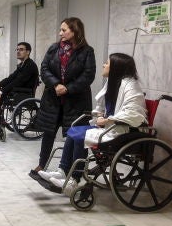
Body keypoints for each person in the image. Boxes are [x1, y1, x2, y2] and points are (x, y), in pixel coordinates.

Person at [38, 53, 147, 195]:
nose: (104, 65)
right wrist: (99, 115)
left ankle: (74, 180)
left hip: (123, 131)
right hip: (110, 127)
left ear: (116, 68)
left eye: (107, 63)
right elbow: (102, 107)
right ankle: (63, 171)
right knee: (74, 131)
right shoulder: (113, 82)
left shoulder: (131, 86)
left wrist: (108, 120)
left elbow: (134, 113)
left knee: (81, 136)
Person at [30, 17, 96, 177]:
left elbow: (88, 75)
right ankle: (42, 164)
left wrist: (68, 88)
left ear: (75, 31)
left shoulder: (87, 51)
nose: (60, 33)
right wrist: (56, 84)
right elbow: (44, 68)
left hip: (76, 101)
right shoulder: (54, 49)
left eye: (64, 30)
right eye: (60, 30)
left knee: (74, 136)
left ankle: (72, 171)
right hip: (53, 99)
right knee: (48, 133)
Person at [0, 42, 39, 129]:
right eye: (17, 49)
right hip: (16, 91)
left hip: (23, 94)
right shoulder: (22, 65)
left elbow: (17, 82)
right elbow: (10, 78)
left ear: (28, 52)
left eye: (21, 49)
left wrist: (1, 91)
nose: (18, 51)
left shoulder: (30, 65)